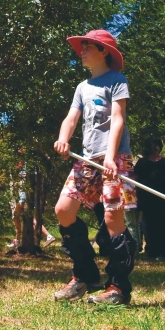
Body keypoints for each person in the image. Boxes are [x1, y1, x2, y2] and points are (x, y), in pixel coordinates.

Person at [51, 29, 137, 305]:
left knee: (113, 220)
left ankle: (117, 288)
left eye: (88, 46)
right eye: (82, 46)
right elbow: (71, 118)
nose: (82, 50)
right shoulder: (82, 87)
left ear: (104, 51)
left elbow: (118, 119)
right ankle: (85, 275)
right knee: (64, 210)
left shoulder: (117, 80)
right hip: (87, 160)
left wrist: (110, 157)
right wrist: (63, 138)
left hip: (115, 159)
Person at [132, 137, 165, 261]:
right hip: (146, 199)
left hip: (164, 199)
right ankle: (151, 251)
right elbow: (135, 179)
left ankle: (164, 252)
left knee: (163, 225)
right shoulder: (142, 163)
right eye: (152, 145)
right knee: (148, 225)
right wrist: (134, 196)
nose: (155, 148)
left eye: (157, 145)